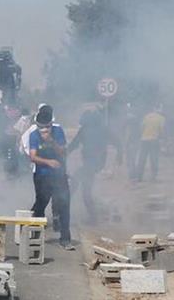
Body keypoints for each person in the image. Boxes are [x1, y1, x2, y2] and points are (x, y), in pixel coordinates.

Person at [29, 104, 74, 250]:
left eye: (46, 127)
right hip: (42, 176)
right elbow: (33, 156)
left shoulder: (58, 132)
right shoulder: (33, 135)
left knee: (64, 205)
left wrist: (51, 142)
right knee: (40, 205)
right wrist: (48, 162)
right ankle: (35, 237)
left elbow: (63, 152)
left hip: (59, 176)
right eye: (41, 127)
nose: (44, 130)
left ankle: (65, 239)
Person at [67, 107, 122, 223]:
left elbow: (73, 145)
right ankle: (89, 215)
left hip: (93, 163)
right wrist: (120, 155)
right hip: (96, 163)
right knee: (82, 186)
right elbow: (118, 142)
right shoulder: (103, 129)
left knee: (80, 186)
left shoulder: (86, 129)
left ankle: (90, 217)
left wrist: (63, 155)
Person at [135, 104, 165, 181]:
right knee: (154, 158)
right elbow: (162, 130)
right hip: (154, 140)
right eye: (161, 108)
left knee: (142, 158)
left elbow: (141, 127)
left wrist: (142, 135)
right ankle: (153, 177)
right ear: (159, 109)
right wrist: (162, 138)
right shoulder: (161, 118)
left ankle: (139, 176)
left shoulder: (147, 116)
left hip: (144, 140)